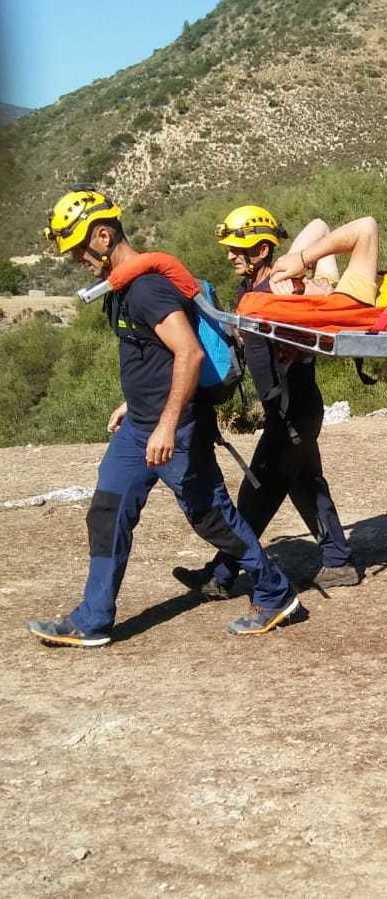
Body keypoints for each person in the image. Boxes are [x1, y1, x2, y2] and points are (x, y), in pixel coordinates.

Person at [26, 189, 297, 646]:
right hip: (138, 429)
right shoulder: (121, 288)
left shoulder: (148, 289)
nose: (76, 259)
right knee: (108, 511)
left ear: (103, 235)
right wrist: (133, 403)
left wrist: (168, 424)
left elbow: (188, 354)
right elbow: (149, 356)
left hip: (176, 428)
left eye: (77, 249)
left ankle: (275, 591)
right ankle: (93, 619)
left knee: (212, 518)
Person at [173, 205, 360, 596]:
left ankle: (222, 575)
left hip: (292, 410)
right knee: (305, 485)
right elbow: (321, 225)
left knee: (256, 496)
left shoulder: (275, 293)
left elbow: (319, 227)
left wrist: (300, 260)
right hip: (296, 409)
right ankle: (337, 560)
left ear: (261, 251)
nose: (229, 255)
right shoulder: (257, 292)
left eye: (237, 248)